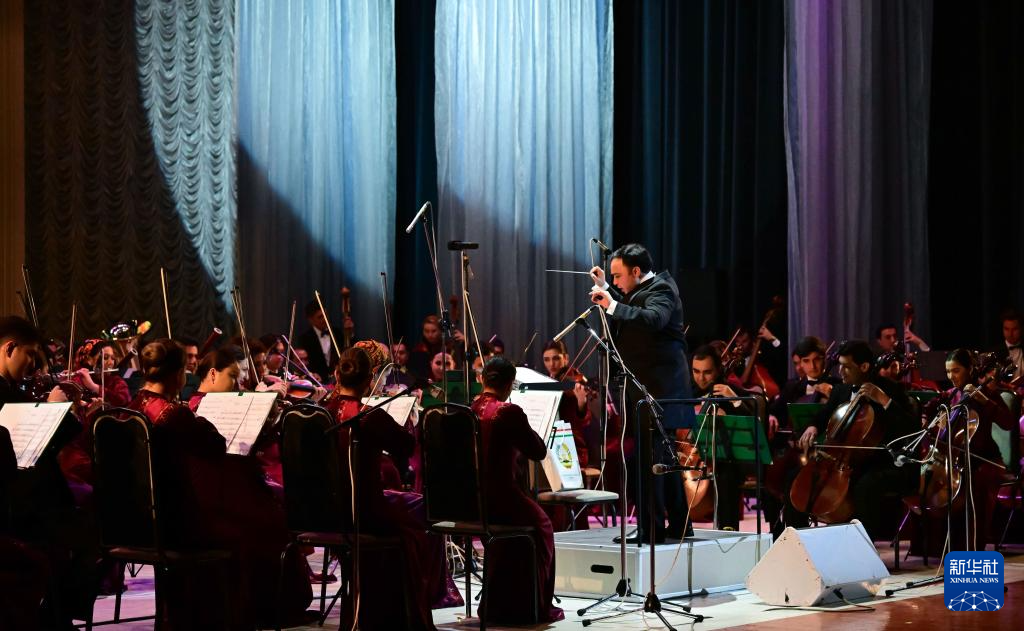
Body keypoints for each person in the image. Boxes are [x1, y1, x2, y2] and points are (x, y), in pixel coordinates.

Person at [129, 339, 311, 629]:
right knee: (253, 528)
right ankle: (242, 615)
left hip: (137, 523)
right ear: (178, 374)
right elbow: (214, 444)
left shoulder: (131, 408)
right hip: (175, 527)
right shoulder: (172, 414)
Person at [325, 347, 462, 630]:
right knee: (415, 531)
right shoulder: (368, 416)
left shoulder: (323, 413)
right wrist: (410, 422)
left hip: (328, 511)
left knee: (405, 510)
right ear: (370, 380)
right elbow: (406, 446)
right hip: (364, 513)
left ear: (338, 375)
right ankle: (400, 615)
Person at [589, 243, 692, 543]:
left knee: (649, 463)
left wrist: (612, 304)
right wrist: (606, 288)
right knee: (664, 462)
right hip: (651, 391)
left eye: (617, 276)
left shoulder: (663, 289)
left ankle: (652, 529)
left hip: (660, 392)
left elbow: (652, 318)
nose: (616, 281)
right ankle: (679, 525)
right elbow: (634, 303)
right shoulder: (645, 288)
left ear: (636, 271)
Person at [471, 357, 564, 624]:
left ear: (482, 379)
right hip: (502, 499)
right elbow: (537, 450)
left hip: (472, 502)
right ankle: (536, 605)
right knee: (543, 525)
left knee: (520, 528)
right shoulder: (508, 412)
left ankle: (499, 603)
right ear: (510, 384)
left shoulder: (469, 408)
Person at [795, 340, 918, 539]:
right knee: (796, 479)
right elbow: (824, 415)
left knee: (864, 486)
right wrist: (813, 426)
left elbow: (912, 428)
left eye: (846, 367)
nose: (840, 371)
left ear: (864, 367)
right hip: (844, 461)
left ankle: (863, 547)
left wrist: (884, 401)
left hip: (881, 461)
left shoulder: (891, 389)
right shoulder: (841, 390)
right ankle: (794, 542)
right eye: (840, 365)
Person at [921, 349, 1016, 551]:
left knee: (975, 491)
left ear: (970, 369)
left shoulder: (985, 393)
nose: (951, 376)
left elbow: (1008, 422)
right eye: (948, 371)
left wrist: (984, 401)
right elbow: (931, 409)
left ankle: (974, 551)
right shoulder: (952, 395)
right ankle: (944, 549)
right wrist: (927, 418)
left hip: (984, 460)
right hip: (957, 462)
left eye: (956, 371)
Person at [688, 345, 761, 530]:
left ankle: (728, 529)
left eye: (707, 372)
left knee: (726, 472)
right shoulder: (687, 391)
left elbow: (753, 422)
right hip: (693, 456)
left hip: (726, 458)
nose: (701, 378)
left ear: (718, 370)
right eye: (696, 371)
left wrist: (734, 399)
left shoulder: (731, 391)